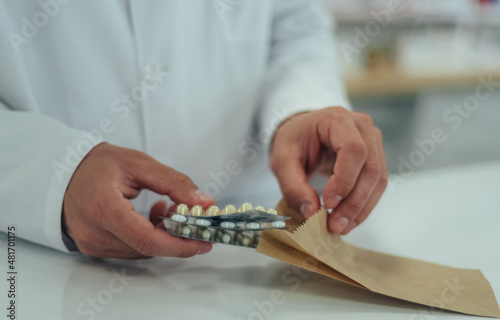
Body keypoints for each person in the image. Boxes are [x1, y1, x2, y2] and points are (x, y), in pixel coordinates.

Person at [0, 0, 387, 259]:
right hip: (41, 255)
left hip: (251, 251)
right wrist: (58, 174)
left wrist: (300, 109)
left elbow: (296, 26)